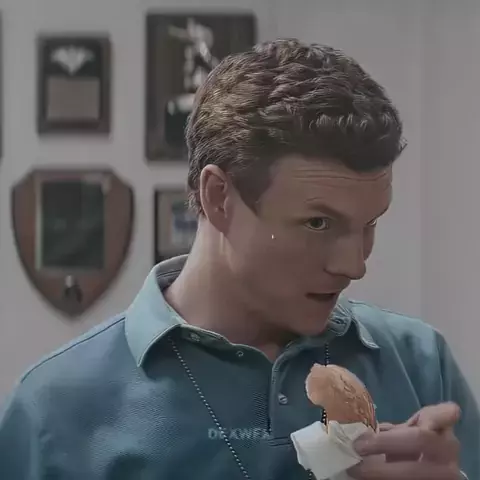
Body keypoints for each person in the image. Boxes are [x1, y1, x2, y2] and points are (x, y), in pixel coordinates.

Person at [0, 39, 478, 480]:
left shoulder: (421, 364)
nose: (354, 266)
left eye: (370, 223)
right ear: (219, 198)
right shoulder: (52, 411)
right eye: (318, 223)